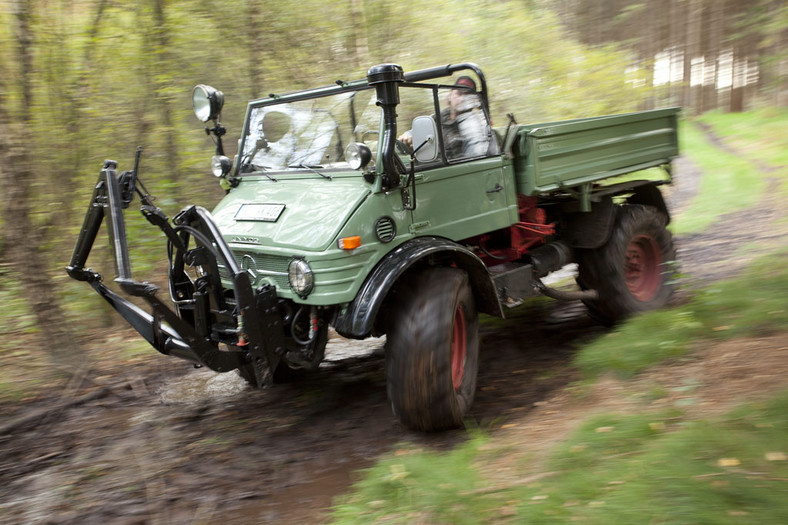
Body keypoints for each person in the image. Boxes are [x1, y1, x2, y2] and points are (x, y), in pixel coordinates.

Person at [399, 75, 492, 160]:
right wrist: (408, 137)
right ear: (450, 95)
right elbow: (417, 131)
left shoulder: (472, 126)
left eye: (467, 96)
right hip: (427, 165)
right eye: (459, 94)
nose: (461, 99)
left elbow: (474, 156)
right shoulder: (438, 117)